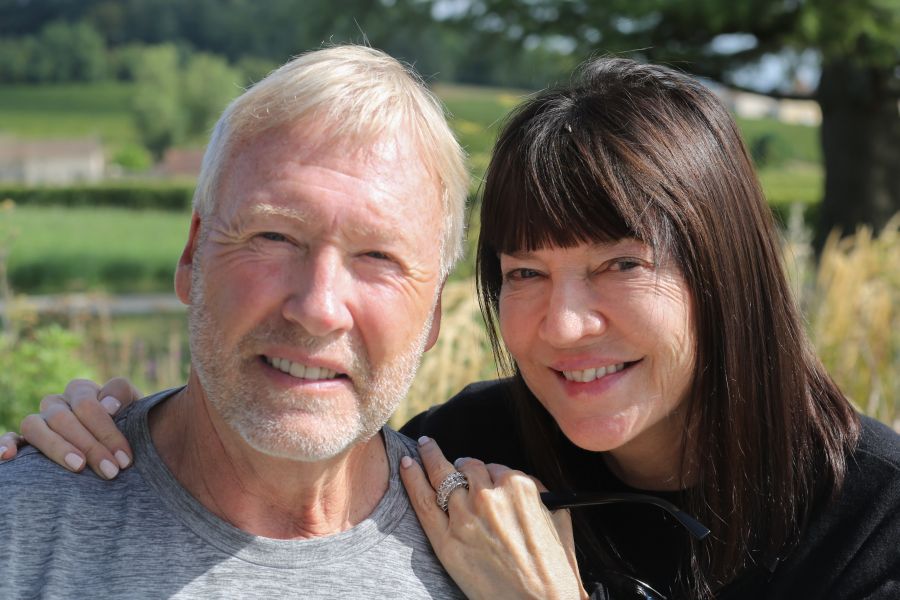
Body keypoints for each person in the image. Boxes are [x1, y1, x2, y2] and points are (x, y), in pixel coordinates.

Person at [4, 57, 900, 599]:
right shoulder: (468, 457)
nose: (566, 322)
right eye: (523, 274)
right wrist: (98, 428)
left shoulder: (872, 520)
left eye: (623, 264)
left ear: (728, 272)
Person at [0, 44, 484, 599]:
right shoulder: (19, 534)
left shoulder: (498, 563)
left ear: (434, 314)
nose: (318, 307)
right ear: (192, 256)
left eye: (379, 258)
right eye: (273, 237)